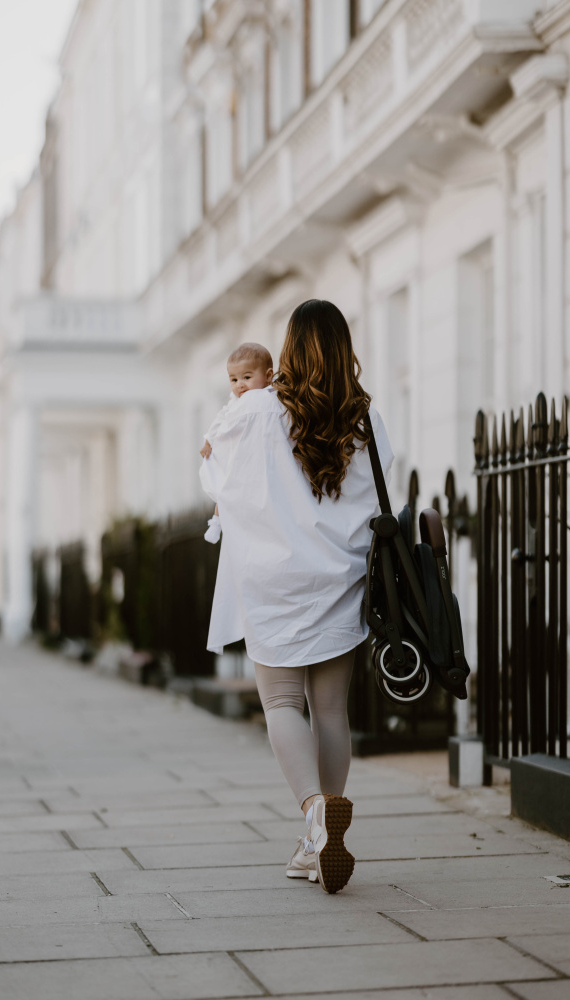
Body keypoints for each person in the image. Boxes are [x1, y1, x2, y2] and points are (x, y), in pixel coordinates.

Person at [199, 300, 393, 893]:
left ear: (288, 348)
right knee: (331, 710)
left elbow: (216, 477)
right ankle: (322, 835)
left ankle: (315, 816)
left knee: (282, 704)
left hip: (273, 579)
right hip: (339, 578)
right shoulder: (363, 417)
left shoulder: (255, 407)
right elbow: (380, 501)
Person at [200, 343, 274, 543]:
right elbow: (219, 420)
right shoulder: (235, 402)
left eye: (247, 377)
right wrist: (208, 440)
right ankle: (216, 521)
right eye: (233, 379)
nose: (239, 384)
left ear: (268, 376)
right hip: (238, 455)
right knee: (223, 487)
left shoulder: (270, 399)